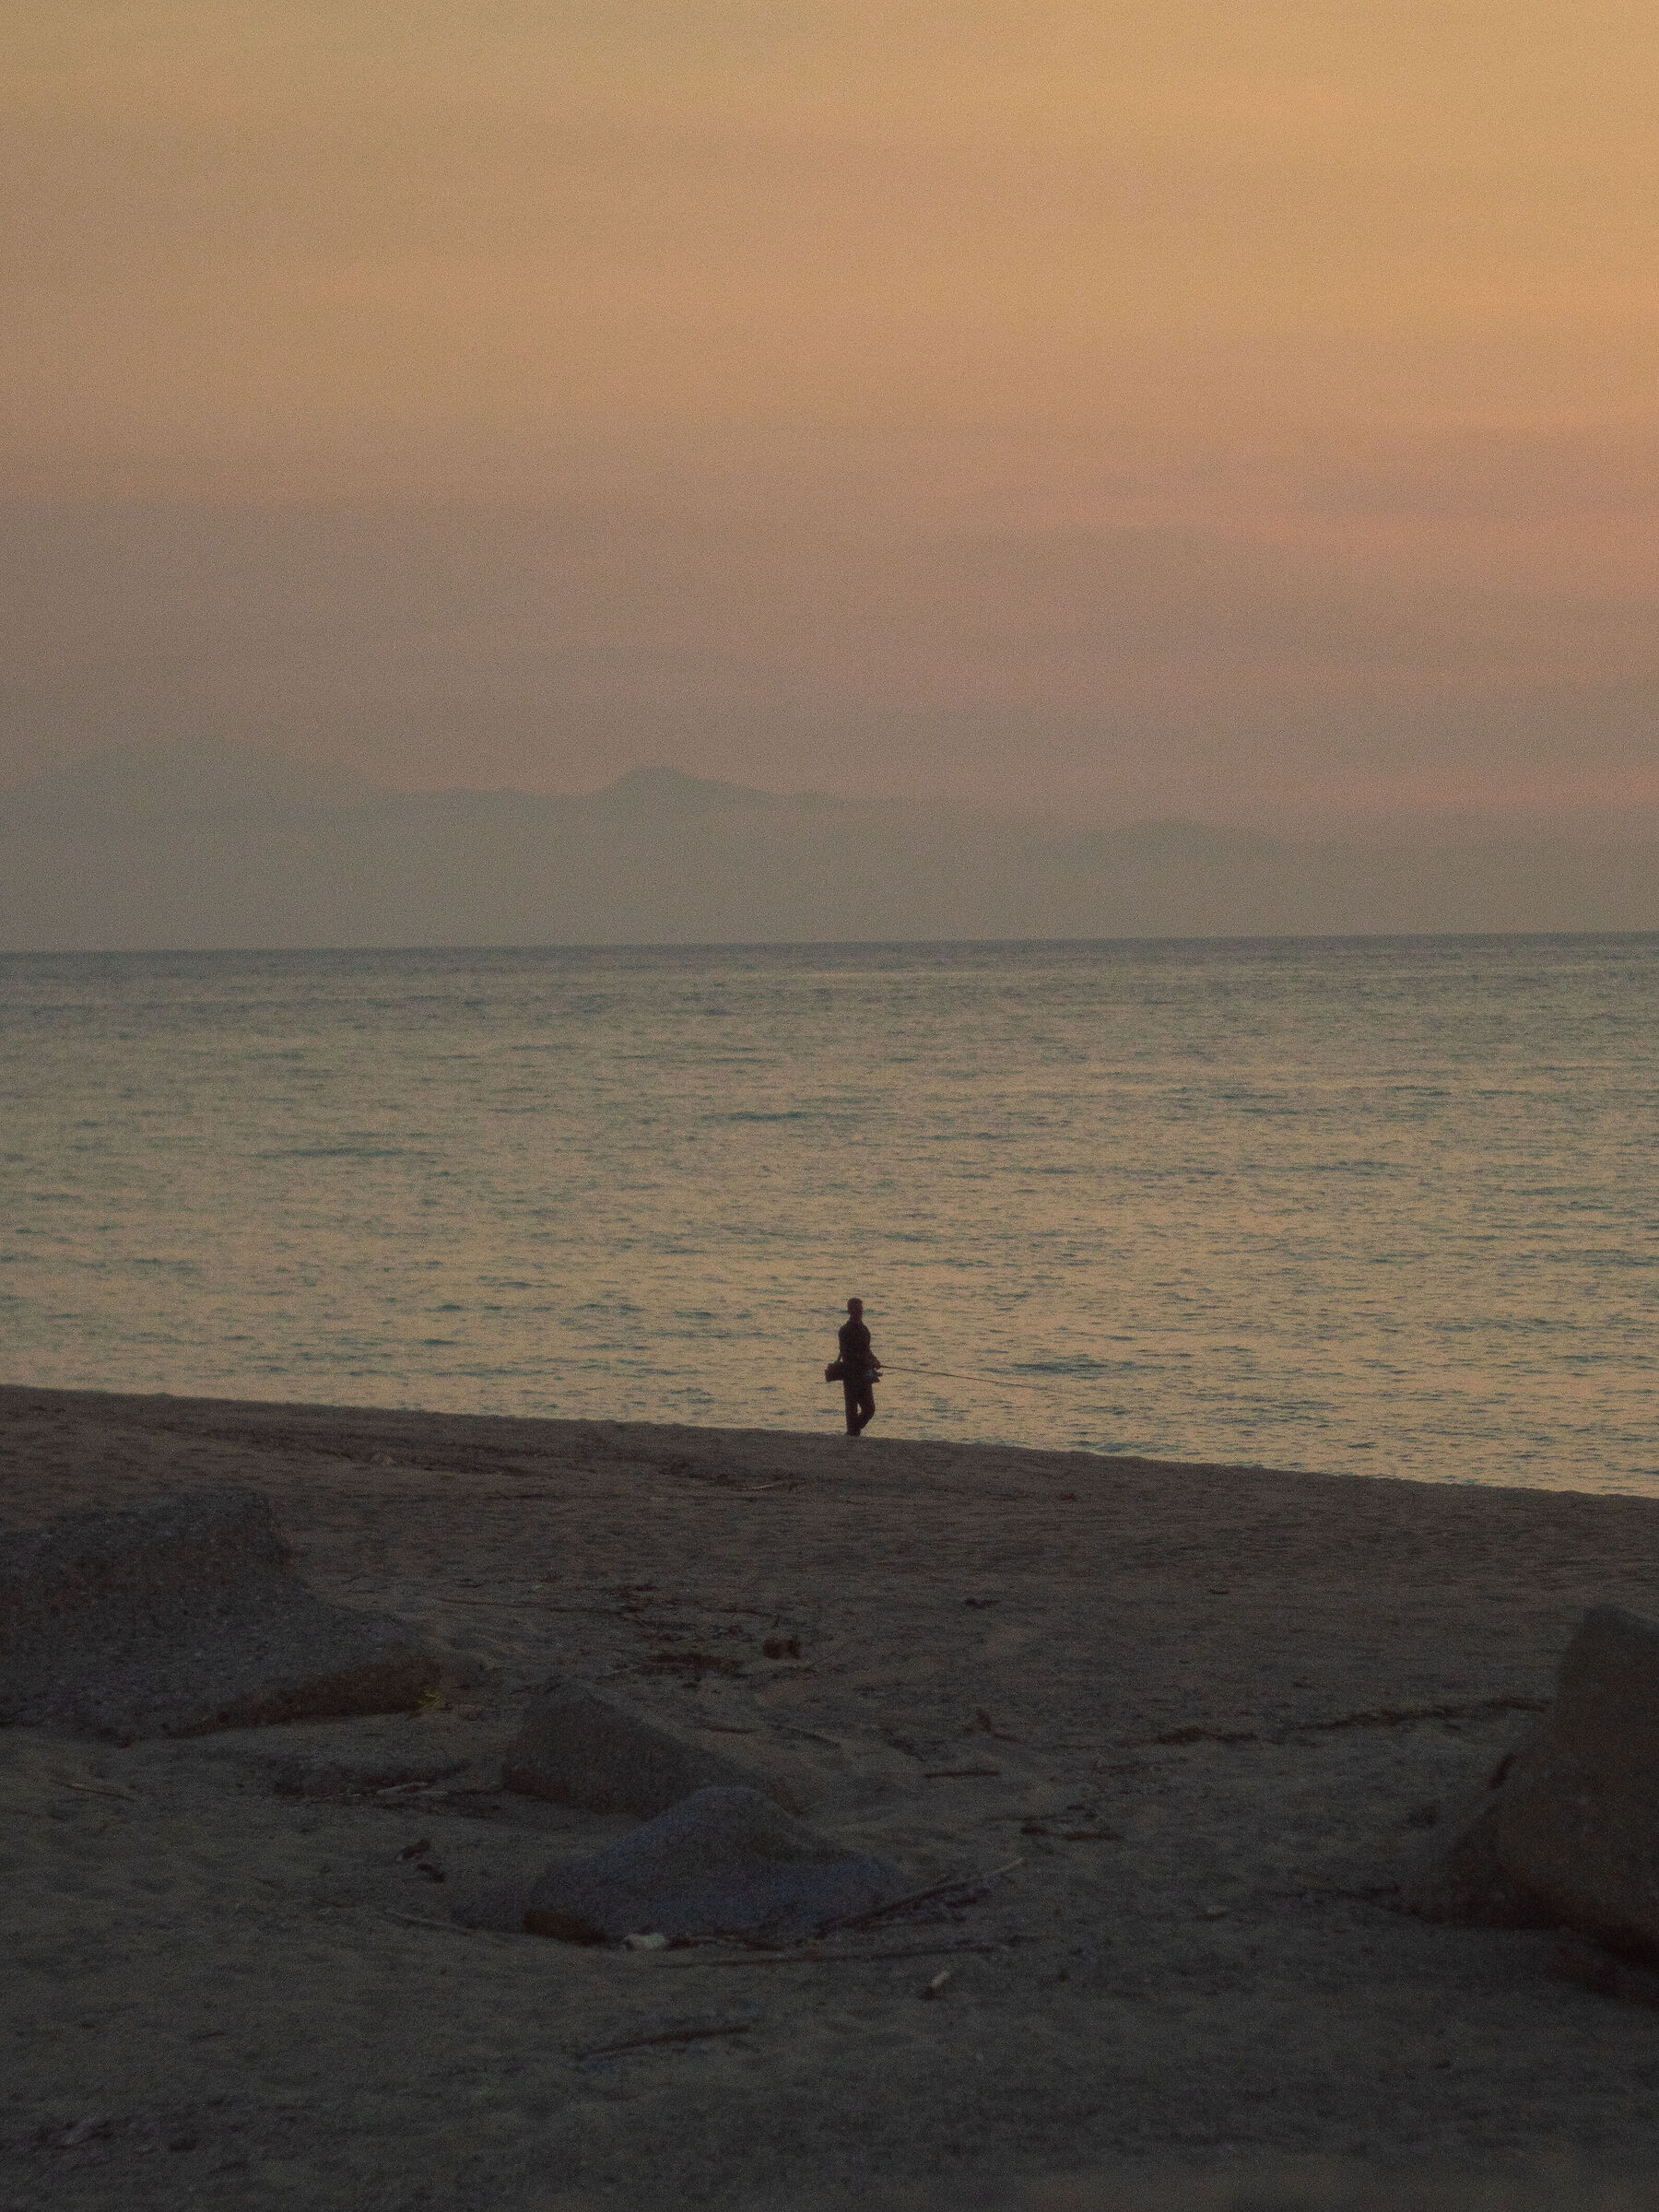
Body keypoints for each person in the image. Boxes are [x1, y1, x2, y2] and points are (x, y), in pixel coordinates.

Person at [837, 1297, 880, 1436]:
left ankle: (852, 1432)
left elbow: (867, 1350)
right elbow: (846, 1353)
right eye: (856, 1309)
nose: (860, 1312)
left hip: (864, 1376)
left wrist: (874, 1360)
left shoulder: (864, 1330)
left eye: (861, 1309)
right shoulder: (844, 1330)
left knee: (869, 1409)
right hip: (850, 1376)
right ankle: (852, 1432)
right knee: (851, 1411)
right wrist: (867, 1361)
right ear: (850, 1311)